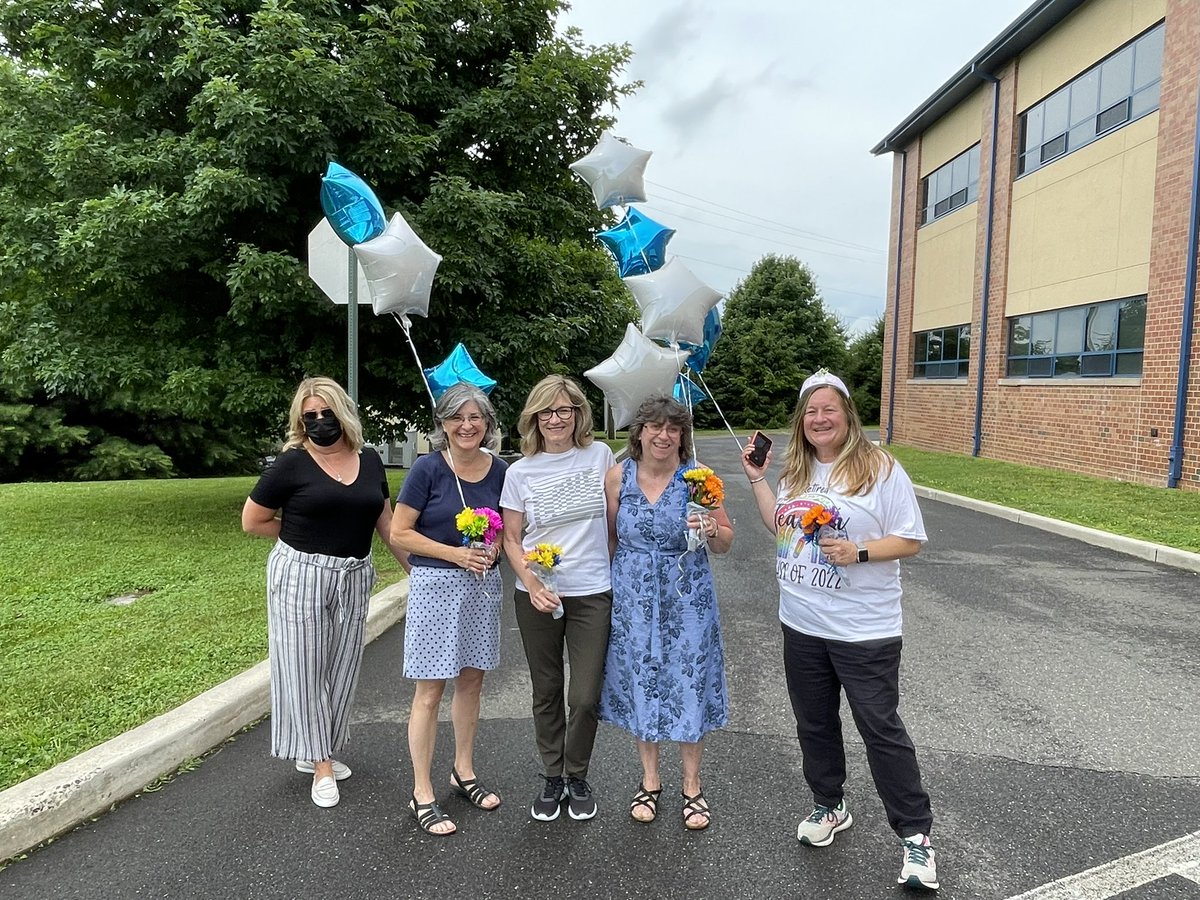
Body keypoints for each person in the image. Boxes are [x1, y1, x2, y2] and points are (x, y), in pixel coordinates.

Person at [741, 368, 939, 891]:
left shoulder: (880, 469)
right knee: (815, 723)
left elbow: (912, 540)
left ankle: (915, 836)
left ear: (847, 415)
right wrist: (758, 480)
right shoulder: (797, 473)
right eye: (811, 411)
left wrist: (860, 552)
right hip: (801, 623)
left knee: (880, 728)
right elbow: (777, 525)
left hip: (863, 629)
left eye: (829, 409)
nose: (819, 419)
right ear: (801, 421)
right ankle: (829, 805)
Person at [241, 376, 403, 809]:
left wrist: (416, 570)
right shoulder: (290, 464)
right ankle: (322, 762)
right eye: (309, 416)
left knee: (342, 667)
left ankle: (316, 749)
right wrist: (301, 535)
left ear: (342, 413)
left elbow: (385, 523)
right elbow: (252, 521)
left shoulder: (369, 460)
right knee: (304, 667)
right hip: (302, 574)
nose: (318, 422)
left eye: (325, 414)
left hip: (354, 574)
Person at [597, 397, 733, 830]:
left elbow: (727, 539)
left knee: (689, 682)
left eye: (673, 428)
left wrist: (712, 528)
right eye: (654, 427)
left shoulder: (699, 480)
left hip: (687, 597)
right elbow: (610, 541)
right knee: (643, 680)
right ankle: (650, 781)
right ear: (638, 433)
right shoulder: (618, 477)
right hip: (634, 599)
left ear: (682, 435)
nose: (663, 435)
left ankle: (692, 786)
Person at [390, 382, 507, 836]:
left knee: (472, 681)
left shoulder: (498, 470)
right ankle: (423, 790)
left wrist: (491, 547)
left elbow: (503, 525)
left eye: (475, 417)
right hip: (436, 586)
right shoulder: (427, 469)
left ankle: (463, 770)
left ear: (487, 424)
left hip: (481, 586)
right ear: (442, 423)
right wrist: (454, 554)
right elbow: (400, 532)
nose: (467, 425)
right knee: (430, 690)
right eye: (457, 417)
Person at [500, 375, 615, 822]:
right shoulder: (519, 471)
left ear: (578, 414)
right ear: (533, 418)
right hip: (537, 594)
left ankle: (577, 772)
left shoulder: (599, 455)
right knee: (546, 689)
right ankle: (553, 776)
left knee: (585, 694)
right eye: (545, 411)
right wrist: (532, 583)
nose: (555, 419)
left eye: (564, 410)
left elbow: (613, 522)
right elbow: (511, 538)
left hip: (591, 591)